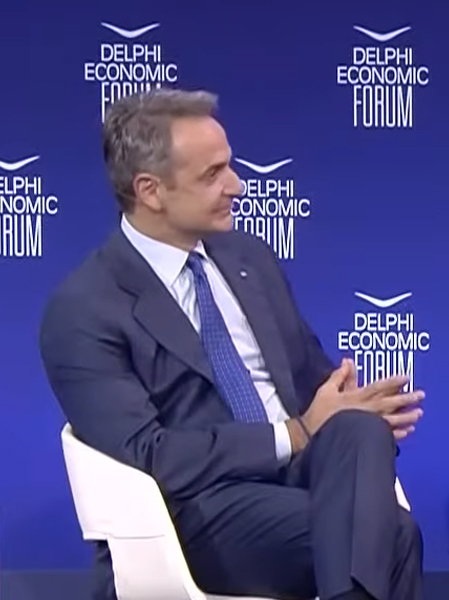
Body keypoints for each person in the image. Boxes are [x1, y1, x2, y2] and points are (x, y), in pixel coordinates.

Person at [39, 88, 425, 600]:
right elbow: (149, 455)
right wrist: (293, 433)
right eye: (212, 175)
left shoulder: (249, 259)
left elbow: (315, 386)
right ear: (150, 190)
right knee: (392, 536)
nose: (236, 185)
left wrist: (352, 406)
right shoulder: (87, 307)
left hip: (303, 478)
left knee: (359, 430)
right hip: (200, 512)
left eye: (230, 166)